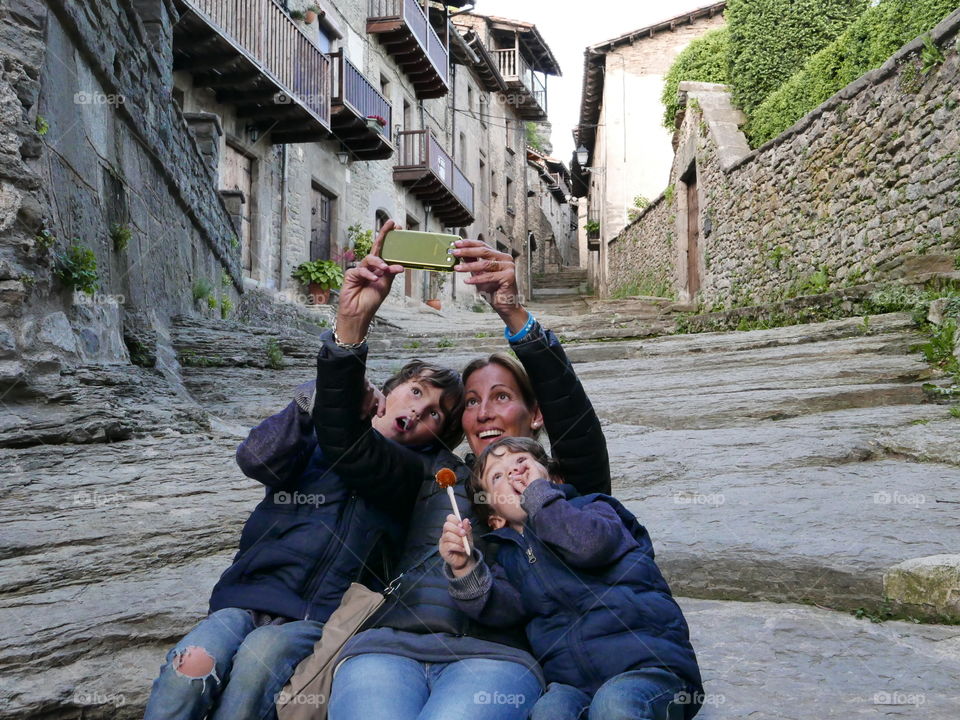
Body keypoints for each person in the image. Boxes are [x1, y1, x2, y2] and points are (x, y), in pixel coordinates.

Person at [317, 224, 610, 720]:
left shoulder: (563, 487)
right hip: (389, 648)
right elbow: (344, 442)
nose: (484, 413)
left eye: (501, 397)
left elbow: (578, 431)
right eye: (472, 402)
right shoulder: (427, 473)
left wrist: (514, 313)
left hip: (498, 660)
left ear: (536, 414)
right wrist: (350, 326)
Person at [142, 352, 465, 720]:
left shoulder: (414, 475)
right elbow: (255, 459)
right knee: (190, 669)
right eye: (415, 391)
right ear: (389, 390)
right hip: (246, 596)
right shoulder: (315, 435)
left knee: (257, 662)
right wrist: (327, 395)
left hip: (317, 618)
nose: (419, 410)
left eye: (435, 414)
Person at [440, 436, 703, 720]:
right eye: (498, 476)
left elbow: (589, 546)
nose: (515, 472)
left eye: (522, 462)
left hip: (650, 666)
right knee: (548, 712)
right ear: (496, 519)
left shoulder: (595, 508)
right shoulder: (509, 556)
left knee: (614, 705)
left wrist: (540, 497)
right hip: (575, 684)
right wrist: (464, 567)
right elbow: (500, 610)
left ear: (552, 479)